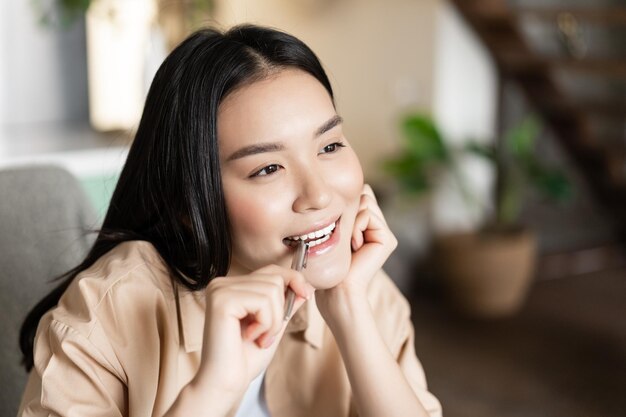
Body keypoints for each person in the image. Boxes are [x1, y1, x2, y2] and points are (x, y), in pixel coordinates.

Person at [18, 24, 442, 417]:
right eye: (267, 169)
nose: (320, 195)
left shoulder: (368, 292)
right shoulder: (106, 311)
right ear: (188, 202)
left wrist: (349, 307)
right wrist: (212, 391)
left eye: (330, 146)